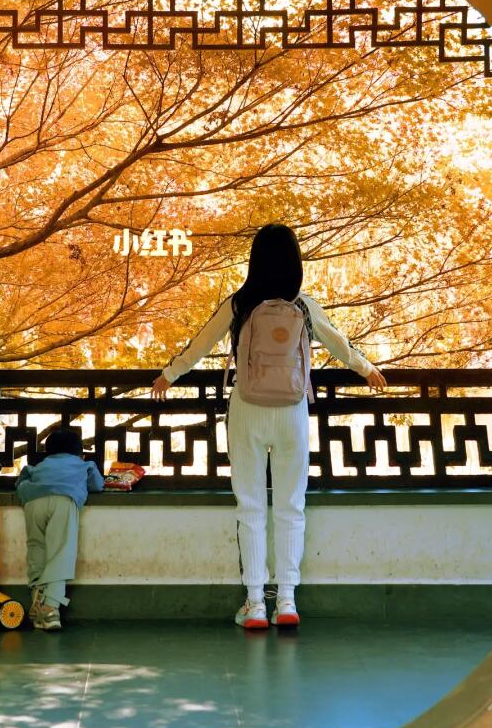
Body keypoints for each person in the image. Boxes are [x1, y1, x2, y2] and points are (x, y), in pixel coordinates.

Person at [152, 224, 386, 631]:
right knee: (291, 505)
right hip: (292, 411)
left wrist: (168, 376)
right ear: (295, 262)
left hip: (247, 409)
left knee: (250, 506)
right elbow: (339, 343)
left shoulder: (240, 304)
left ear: (255, 260)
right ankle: (288, 601)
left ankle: (256, 603)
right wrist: (367, 369)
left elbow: (200, 345)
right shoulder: (304, 306)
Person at [16, 425, 105, 631]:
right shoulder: (84, 464)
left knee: (36, 548)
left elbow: (21, 480)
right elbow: (97, 485)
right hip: (63, 501)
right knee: (61, 552)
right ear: (79, 452)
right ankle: (51, 608)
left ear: (49, 451)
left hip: (33, 502)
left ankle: (37, 599)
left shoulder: (38, 466)